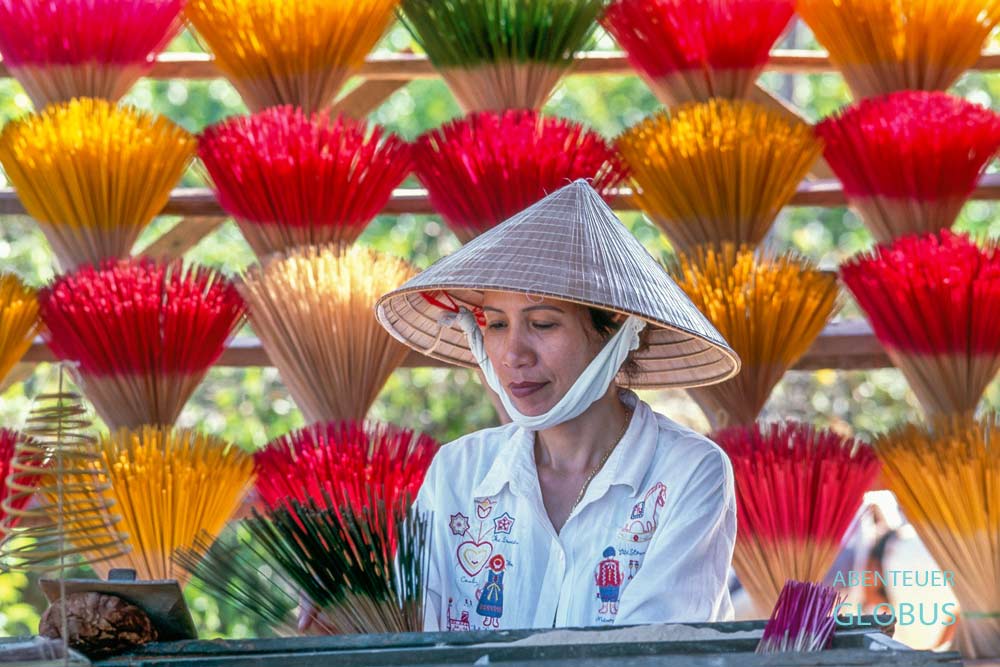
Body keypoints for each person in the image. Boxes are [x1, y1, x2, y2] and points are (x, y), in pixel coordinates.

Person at [375, 179, 741, 631]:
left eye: (543, 323)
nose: (513, 355)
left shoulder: (687, 472)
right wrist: (353, 615)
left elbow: (650, 653)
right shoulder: (459, 473)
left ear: (615, 333)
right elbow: (408, 636)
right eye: (495, 324)